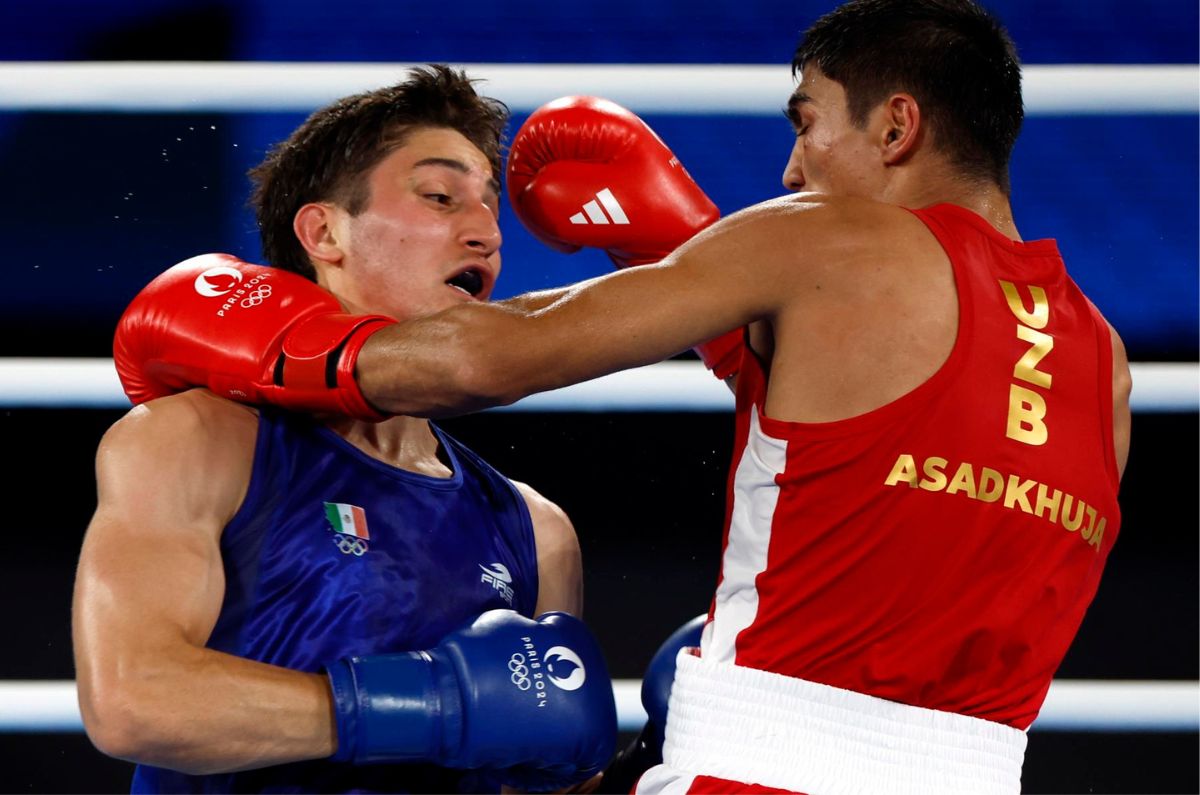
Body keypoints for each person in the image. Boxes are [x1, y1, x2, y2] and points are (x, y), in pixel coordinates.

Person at [111, 1, 1133, 792]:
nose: (791, 165)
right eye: (440, 196)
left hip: (758, 763)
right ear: (323, 231)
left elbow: (488, 360)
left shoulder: (822, 241)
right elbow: (892, 461)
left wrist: (291, 343)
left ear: (896, 126)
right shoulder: (1104, 359)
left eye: (810, 123)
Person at [72, 65, 619, 794]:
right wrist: (434, 704)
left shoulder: (534, 527)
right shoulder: (199, 441)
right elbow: (136, 700)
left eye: (490, 207)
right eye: (439, 196)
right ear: (324, 231)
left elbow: (530, 761)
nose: (485, 231)